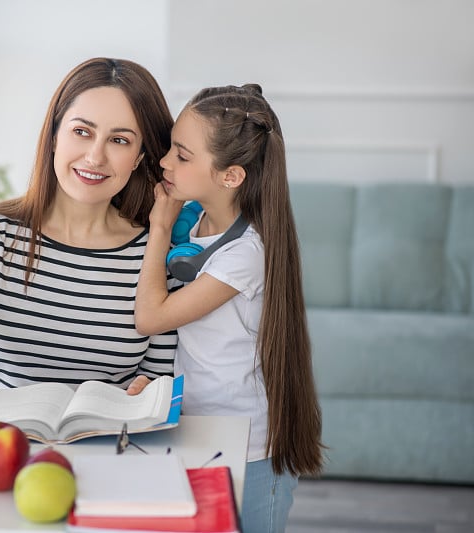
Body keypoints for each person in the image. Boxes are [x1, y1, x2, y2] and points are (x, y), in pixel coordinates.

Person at [0, 57, 177, 447]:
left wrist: (148, 389)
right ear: (54, 135)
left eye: (119, 140)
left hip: (111, 452)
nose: (95, 157)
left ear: (139, 157)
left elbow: (158, 375)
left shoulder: (155, 253)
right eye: (82, 132)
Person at [134, 84, 324, 533]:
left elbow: (151, 317)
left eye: (182, 156)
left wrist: (159, 228)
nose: (164, 163)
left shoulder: (245, 254)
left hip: (247, 449)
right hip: (196, 429)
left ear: (231, 176)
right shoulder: (196, 219)